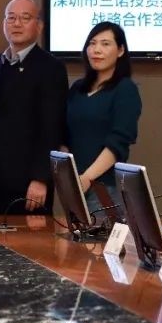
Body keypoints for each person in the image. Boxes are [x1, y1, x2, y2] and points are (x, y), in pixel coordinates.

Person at [0, 0, 69, 214]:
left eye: (25, 18)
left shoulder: (51, 68)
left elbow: (52, 127)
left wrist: (41, 178)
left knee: (32, 235)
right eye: (11, 18)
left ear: (39, 26)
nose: (17, 24)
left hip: (31, 184)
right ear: (4, 23)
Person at [65, 21, 142, 213]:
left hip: (104, 187)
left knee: (101, 233)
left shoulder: (125, 89)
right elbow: (65, 133)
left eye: (105, 44)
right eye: (92, 43)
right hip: (75, 186)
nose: (96, 49)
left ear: (120, 50)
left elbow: (118, 143)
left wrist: (87, 177)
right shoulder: (78, 88)